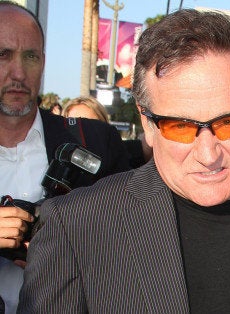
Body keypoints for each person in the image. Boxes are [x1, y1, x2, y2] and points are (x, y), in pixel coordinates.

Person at [20, 9, 230, 313]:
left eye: (228, 123)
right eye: (181, 127)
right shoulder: (77, 227)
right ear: (147, 123)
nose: (208, 154)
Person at [0, 3, 129, 312]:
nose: (18, 73)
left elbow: (131, 238)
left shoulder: (95, 142)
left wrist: (64, 242)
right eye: (3, 55)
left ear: (43, 62)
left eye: (30, 56)